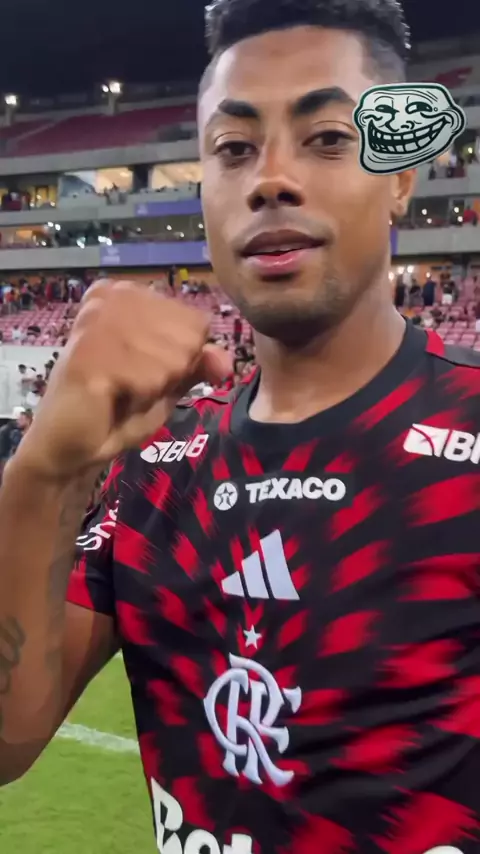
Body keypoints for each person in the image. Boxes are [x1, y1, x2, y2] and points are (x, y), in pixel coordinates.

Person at [0, 2, 479, 853]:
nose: (270, 179)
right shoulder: (154, 460)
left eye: (326, 138)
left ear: (401, 175)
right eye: (232, 148)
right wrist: (44, 472)